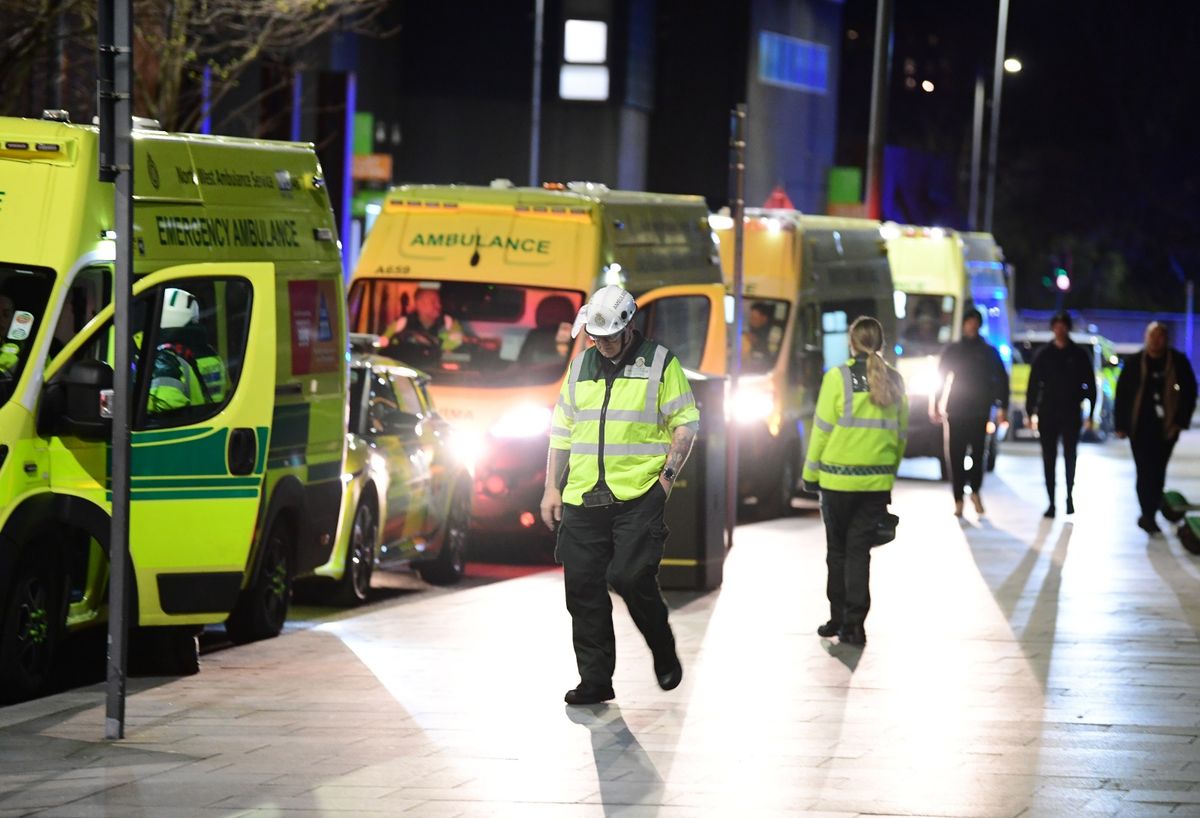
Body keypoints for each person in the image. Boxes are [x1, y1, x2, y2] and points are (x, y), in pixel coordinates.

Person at [540, 284, 699, 706]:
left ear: (629, 328)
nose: (603, 344)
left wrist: (664, 483)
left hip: (638, 496)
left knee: (629, 578)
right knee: (583, 589)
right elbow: (562, 432)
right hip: (581, 498)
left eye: (610, 336)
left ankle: (662, 647)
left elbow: (685, 424)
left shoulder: (661, 364)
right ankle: (595, 680)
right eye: (595, 337)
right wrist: (550, 489)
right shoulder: (580, 367)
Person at [802, 316, 907, 647]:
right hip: (875, 484)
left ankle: (837, 618)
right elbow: (901, 436)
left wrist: (810, 473)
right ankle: (854, 625)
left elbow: (822, 429)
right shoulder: (895, 380)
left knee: (838, 552)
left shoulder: (838, 378)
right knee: (860, 553)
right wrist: (887, 473)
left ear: (852, 343)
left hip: (836, 482)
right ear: (881, 343)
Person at [1114, 321, 1197, 534]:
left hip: (1166, 429)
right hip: (1139, 428)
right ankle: (1147, 513)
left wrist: (1180, 422)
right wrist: (1121, 424)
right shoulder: (1135, 363)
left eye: (1161, 336)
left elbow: (1189, 393)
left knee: (1158, 471)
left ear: (1166, 339)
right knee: (1144, 471)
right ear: (1146, 337)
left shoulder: (1178, 363)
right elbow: (1122, 394)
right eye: (1153, 335)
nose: (1156, 340)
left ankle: (1151, 509)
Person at [933, 308, 1009, 517]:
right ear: (964, 324)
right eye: (969, 322)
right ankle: (958, 498)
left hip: (979, 410)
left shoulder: (988, 351)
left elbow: (1002, 379)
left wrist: (1002, 407)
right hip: (956, 410)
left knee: (978, 454)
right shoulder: (953, 350)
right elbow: (940, 377)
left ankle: (975, 491)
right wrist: (935, 403)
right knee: (955, 456)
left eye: (975, 322)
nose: (971, 326)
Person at [1025, 311, 1096, 518]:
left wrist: (1090, 413)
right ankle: (1051, 501)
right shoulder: (1044, 354)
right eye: (1056, 325)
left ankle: (1069, 496)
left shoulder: (1079, 354)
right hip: (1048, 412)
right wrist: (1031, 412)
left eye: (1063, 325)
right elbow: (1033, 385)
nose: (1060, 329)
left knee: (1070, 456)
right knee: (1049, 457)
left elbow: (1090, 385)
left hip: (1071, 412)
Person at [148, 288, 228, 413]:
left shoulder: (166, 359)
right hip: (211, 420)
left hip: (185, 428)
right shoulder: (211, 354)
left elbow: (167, 405)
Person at [386, 287, 464, 362]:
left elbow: (456, 346)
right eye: (433, 302)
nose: (439, 306)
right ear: (419, 304)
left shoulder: (450, 323)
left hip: (441, 371)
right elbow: (385, 345)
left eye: (439, 302)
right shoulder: (401, 323)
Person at [744, 302, 774, 372]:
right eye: (751, 318)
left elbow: (771, 354)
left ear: (764, 318)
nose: (751, 321)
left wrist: (757, 341)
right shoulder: (753, 329)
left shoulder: (771, 333)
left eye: (754, 318)